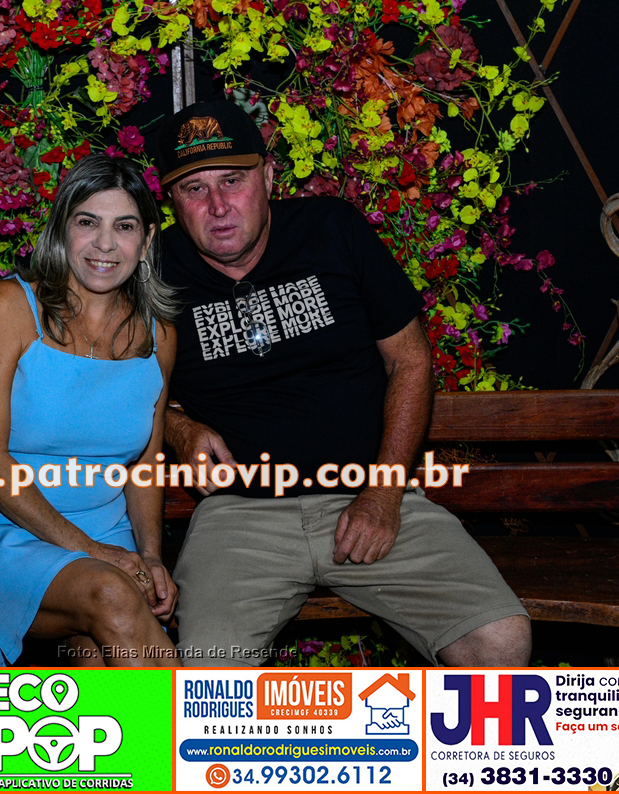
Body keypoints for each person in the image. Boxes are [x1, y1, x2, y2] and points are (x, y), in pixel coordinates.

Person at [155, 99, 532, 666]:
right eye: (194, 188)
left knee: (499, 641)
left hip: (366, 491)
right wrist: (179, 428)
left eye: (233, 180)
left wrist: (383, 493)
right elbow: (116, 389)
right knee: (208, 679)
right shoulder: (156, 268)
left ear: (268, 177)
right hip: (240, 517)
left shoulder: (332, 228)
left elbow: (410, 361)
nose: (218, 205)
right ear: (172, 201)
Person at [0, 154, 181, 667]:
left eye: (124, 226)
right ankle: (186, 723)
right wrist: (92, 551)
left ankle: (151, 723)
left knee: (99, 657)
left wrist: (151, 555)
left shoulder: (160, 336)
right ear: (62, 229)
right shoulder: (9, 308)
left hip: (105, 535)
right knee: (111, 594)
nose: (105, 244)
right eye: (87, 222)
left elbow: (145, 465)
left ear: (146, 240)